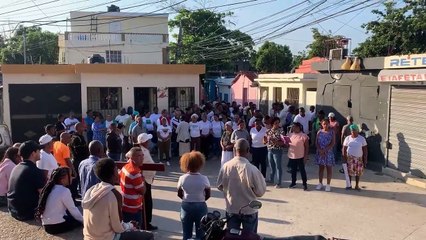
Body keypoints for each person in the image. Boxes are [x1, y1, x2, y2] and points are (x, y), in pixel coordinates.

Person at [82, 158, 154, 240]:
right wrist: (130, 225)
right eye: (116, 169)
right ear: (113, 173)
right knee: (149, 236)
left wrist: (128, 225)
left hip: (89, 237)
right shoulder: (113, 195)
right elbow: (118, 228)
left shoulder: (91, 190)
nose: (118, 171)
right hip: (106, 238)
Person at [217, 139, 266, 233]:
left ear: (234, 149)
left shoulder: (226, 166)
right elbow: (260, 192)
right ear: (248, 150)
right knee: (249, 237)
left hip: (232, 209)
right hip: (249, 210)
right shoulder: (252, 169)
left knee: (232, 237)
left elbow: (219, 186)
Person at [35, 167, 83, 234]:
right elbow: (73, 209)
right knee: (77, 218)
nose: (72, 177)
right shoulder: (65, 191)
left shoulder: (49, 188)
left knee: (70, 213)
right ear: (62, 179)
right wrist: (84, 221)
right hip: (56, 226)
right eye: (70, 175)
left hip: (46, 225)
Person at [8, 140, 45, 221]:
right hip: (26, 213)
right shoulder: (34, 170)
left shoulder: (16, 167)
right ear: (33, 153)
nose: (40, 152)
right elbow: (43, 194)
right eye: (38, 151)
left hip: (13, 209)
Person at [177, 151, 211, 240]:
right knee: (201, 233)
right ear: (200, 164)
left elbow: (179, 193)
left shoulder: (182, 178)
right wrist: (200, 198)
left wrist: (186, 198)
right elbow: (208, 194)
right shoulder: (204, 178)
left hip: (186, 205)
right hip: (200, 205)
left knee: (186, 233)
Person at [120, 147, 146, 229]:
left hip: (125, 205)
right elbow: (142, 191)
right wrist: (143, 180)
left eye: (142, 155)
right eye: (139, 156)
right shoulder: (135, 173)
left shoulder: (125, 167)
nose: (142, 158)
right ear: (132, 157)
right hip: (133, 208)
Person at [137, 133, 158, 231]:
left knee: (146, 201)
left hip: (146, 179)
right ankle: (146, 223)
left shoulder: (141, 150)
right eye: (147, 141)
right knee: (147, 202)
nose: (149, 142)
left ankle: (145, 222)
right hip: (145, 180)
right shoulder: (142, 152)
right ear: (144, 142)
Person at [343, 124, 368, 191]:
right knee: (349, 172)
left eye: (354, 130)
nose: (353, 132)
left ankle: (356, 185)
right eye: (351, 130)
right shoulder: (347, 138)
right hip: (350, 158)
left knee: (358, 172)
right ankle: (349, 185)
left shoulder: (361, 139)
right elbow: (344, 149)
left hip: (359, 158)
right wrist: (344, 158)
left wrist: (365, 159)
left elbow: (365, 149)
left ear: (357, 131)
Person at [315, 119, 336, 192]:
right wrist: (319, 150)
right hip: (320, 152)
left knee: (329, 168)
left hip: (328, 153)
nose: (325, 125)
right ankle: (320, 183)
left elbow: (332, 143)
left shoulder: (332, 132)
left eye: (327, 124)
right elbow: (316, 142)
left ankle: (328, 184)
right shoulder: (319, 132)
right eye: (324, 124)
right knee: (321, 168)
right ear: (321, 124)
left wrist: (325, 150)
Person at [287, 122, 309, 190]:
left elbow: (307, 147)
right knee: (293, 170)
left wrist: (306, 156)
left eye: (296, 127)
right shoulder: (290, 135)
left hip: (300, 156)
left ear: (299, 127)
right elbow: (287, 144)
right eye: (293, 127)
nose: (294, 128)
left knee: (302, 170)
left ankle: (304, 184)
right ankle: (293, 182)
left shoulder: (304, 136)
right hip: (292, 155)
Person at [265, 117, 286, 188]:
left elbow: (283, 142)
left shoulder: (281, 131)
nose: (277, 124)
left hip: (277, 150)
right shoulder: (268, 131)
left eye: (278, 123)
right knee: (271, 166)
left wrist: (276, 142)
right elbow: (265, 141)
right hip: (269, 150)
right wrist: (265, 141)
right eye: (275, 123)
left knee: (278, 166)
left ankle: (279, 182)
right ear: (272, 124)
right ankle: (271, 179)